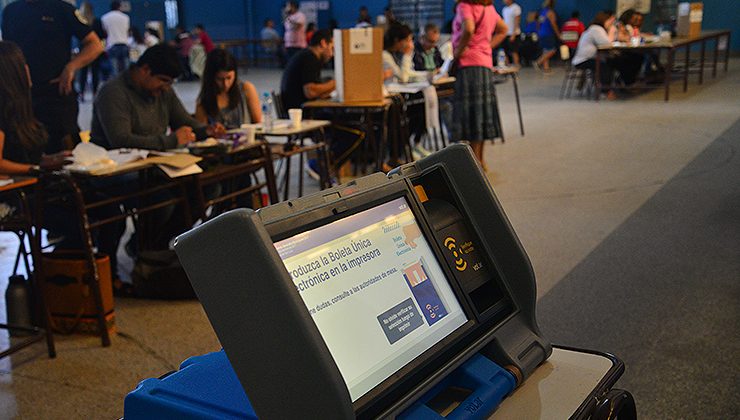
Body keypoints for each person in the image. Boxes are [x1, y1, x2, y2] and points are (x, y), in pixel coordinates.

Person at [2, 0, 104, 154]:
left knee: (65, 150)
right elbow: (7, 51)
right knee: (21, 149)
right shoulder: (11, 11)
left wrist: (71, 67)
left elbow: (95, 45)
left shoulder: (62, 9)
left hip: (56, 93)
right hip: (20, 96)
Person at [91, 44, 222, 151]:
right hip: (116, 170)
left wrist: (207, 130)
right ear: (145, 69)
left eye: (170, 82)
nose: (166, 87)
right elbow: (121, 140)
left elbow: (183, 120)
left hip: (151, 164)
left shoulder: (163, 91)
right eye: (163, 80)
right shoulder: (113, 92)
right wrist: (171, 141)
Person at [451, 0, 508, 170]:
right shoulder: (489, 7)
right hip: (484, 65)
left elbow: (468, 29)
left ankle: (472, 164)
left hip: (468, 67)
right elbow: (503, 29)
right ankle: (480, 160)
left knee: (469, 113)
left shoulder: (464, 7)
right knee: (482, 113)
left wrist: (458, 52)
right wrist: (484, 47)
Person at [195, 49, 262, 128]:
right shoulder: (203, 100)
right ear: (211, 77)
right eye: (220, 79)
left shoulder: (246, 89)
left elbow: (258, 124)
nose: (225, 84)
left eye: (229, 78)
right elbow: (202, 132)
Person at [280, 29, 335, 111]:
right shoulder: (310, 58)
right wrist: (335, 83)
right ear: (323, 43)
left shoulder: (307, 55)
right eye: (332, 48)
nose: (332, 54)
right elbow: (310, 92)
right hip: (299, 112)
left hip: (296, 107)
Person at [572, 11, 619, 100]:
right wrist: (612, 31)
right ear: (604, 19)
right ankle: (605, 92)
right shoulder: (596, 29)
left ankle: (610, 88)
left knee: (612, 62)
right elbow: (607, 44)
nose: (612, 23)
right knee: (604, 66)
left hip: (588, 58)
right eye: (611, 21)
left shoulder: (595, 28)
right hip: (583, 60)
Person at [77, 1, 111, 102]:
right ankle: (95, 93)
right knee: (95, 72)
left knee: (83, 73)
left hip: (82, 51)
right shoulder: (96, 21)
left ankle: (82, 93)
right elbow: (103, 36)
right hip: (94, 51)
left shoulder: (80, 22)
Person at [101, 0, 130, 75]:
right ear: (119, 7)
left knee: (114, 71)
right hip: (124, 44)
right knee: (126, 70)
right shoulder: (126, 17)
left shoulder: (105, 17)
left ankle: (117, 86)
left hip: (112, 44)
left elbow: (105, 32)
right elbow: (127, 30)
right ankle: (126, 86)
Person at [535, 0, 561, 72]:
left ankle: (546, 68)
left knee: (546, 51)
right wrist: (558, 34)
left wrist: (538, 32)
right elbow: (553, 24)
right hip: (548, 33)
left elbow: (538, 23)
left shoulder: (542, 12)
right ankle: (538, 62)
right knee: (552, 50)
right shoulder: (551, 13)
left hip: (541, 33)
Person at [501, 0, 522, 66]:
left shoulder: (516, 8)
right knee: (505, 52)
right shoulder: (504, 9)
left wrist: (514, 34)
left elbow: (517, 22)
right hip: (506, 34)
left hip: (514, 34)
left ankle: (516, 68)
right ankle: (507, 69)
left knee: (514, 52)